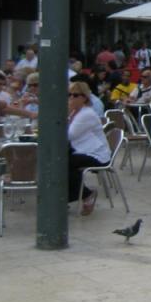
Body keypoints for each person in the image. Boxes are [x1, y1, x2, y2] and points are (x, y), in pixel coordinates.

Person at [67, 80, 111, 216]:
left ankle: (85, 195)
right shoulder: (75, 113)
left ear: (84, 97)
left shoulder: (86, 114)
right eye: (69, 95)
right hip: (82, 150)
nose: (71, 98)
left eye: (75, 95)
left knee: (65, 162)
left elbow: (69, 135)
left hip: (97, 155)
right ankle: (68, 196)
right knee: (60, 160)